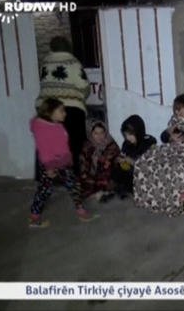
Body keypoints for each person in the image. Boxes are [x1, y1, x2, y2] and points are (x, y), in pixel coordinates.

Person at [133, 95, 184, 216]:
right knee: (144, 161)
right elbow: (164, 136)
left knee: (178, 168)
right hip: (172, 149)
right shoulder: (173, 122)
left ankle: (180, 202)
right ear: (178, 111)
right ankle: (153, 200)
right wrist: (170, 136)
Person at [29, 98, 97, 228]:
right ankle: (34, 217)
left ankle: (80, 210)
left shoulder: (56, 125)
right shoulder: (43, 128)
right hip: (51, 164)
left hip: (63, 162)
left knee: (74, 185)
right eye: (61, 111)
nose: (64, 113)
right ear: (50, 112)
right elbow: (44, 150)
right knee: (45, 190)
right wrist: (49, 168)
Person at [35, 36, 90, 175]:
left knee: (47, 144)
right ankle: (73, 177)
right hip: (70, 109)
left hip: (46, 109)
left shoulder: (45, 62)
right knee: (74, 145)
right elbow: (83, 85)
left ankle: (46, 178)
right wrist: (82, 96)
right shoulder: (72, 62)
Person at [109, 115, 156, 200]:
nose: (127, 138)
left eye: (130, 134)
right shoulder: (127, 143)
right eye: (125, 135)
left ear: (138, 131)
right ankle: (122, 188)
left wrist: (132, 161)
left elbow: (149, 166)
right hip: (130, 172)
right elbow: (122, 156)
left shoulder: (149, 142)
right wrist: (119, 159)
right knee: (118, 168)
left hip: (145, 175)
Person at [79, 120, 120, 201]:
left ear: (105, 132)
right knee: (82, 184)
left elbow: (115, 160)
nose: (99, 136)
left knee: (105, 167)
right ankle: (100, 192)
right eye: (96, 133)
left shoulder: (111, 144)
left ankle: (102, 191)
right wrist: (84, 173)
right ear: (91, 134)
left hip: (107, 173)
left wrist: (102, 160)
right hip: (92, 174)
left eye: (102, 133)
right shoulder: (87, 145)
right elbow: (82, 162)